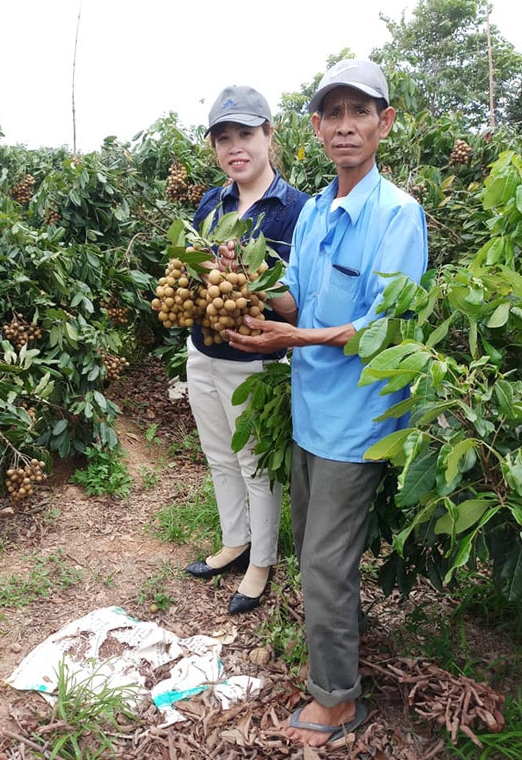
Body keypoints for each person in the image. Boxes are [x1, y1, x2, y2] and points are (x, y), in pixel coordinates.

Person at [224, 59, 428, 743]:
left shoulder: (398, 215)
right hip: (311, 414)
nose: (345, 127)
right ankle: (337, 644)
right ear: (314, 127)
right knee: (321, 556)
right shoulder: (313, 209)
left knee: (322, 561)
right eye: (332, 116)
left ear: (383, 123)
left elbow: (384, 328)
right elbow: (296, 298)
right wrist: (249, 284)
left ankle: (338, 699)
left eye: (359, 114)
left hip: (357, 422)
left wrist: (292, 334)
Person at [183, 85, 310, 615]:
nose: (235, 147)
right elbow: (194, 269)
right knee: (219, 456)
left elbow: (299, 307)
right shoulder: (213, 202)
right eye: (223, 138)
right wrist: (197, 264)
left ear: (268, 135)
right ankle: (234, 543)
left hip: (254, 361)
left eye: (245, 134)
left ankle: (262, 561)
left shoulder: (297, 210)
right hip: (202, 350)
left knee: (254, 462)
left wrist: (254, 277)